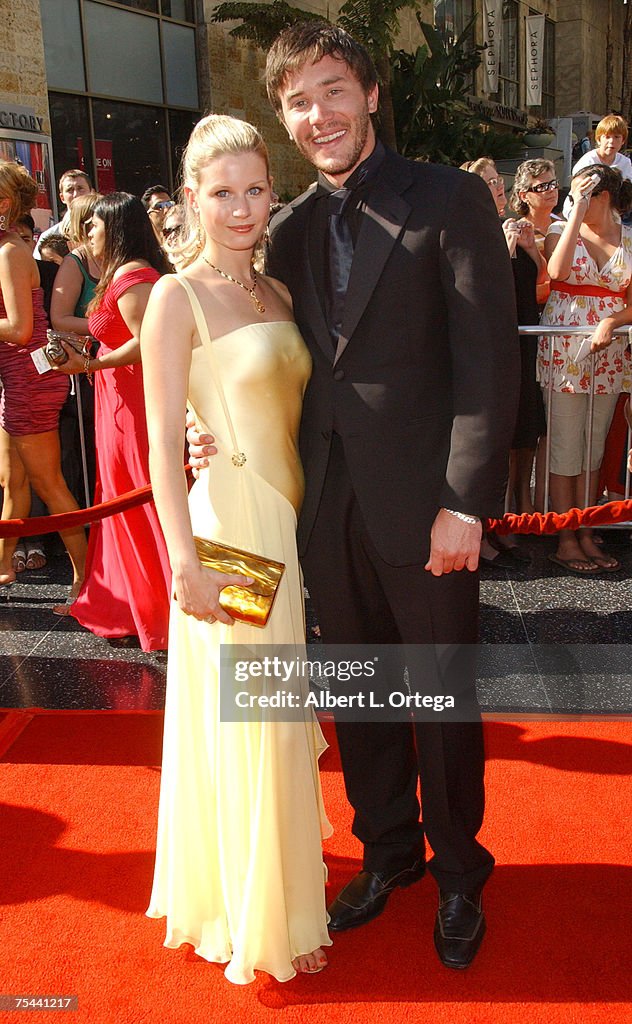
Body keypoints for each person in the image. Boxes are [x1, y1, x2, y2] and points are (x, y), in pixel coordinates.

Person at [189, 22, 519, 970]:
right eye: (297, 99)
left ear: (370, 95)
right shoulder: (285, 228)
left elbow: (488, 367)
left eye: (332, 90)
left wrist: (466, 502)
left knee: (443, 701)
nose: (317, 113)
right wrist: (192, 425)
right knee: (365, 696)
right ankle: (389, 855)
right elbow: (222, 336)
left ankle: (460, 874)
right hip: (320, 509)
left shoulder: (450, 199)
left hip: (427, 512)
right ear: (284, 118)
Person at [141, 114, 331, 983]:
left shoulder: (278, 295)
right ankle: (255, 916)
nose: (244, 206)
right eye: (223, 192)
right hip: (228, 531)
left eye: (257, 188)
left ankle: (281, 891)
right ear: (192, 199)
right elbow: (157, 450)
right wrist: (183, 559)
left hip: (282, 528)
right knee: (251, 718)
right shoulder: (175, 298)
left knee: (274, 714)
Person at [51, 192, 171, 648]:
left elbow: (146, 343)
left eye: (94, 227)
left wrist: (88, 366)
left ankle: (157, 604)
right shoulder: (122, 274)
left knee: (140, 496)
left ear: (114, 230)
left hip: (135, 402)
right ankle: (127, 600)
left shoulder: (134, 276)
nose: (87, 235)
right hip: (116, 398)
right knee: (121, 496)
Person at [0, 160, 87, 603]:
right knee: (11, 481)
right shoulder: (7, 248)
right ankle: (3, 568)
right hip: (18, 381)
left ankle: (84, 579)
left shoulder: (10, 253)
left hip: (29, 382)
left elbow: (17, 328)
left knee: (49, 484)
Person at [538, 164, 632, 574]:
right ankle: (565, 535)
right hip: (564, 350)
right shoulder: (562, 230)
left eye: (583, 194)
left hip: (609, 352)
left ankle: (586, 527)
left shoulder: (629, 238)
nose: (572, 200)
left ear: (604, 196)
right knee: (564, 446)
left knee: (593, 446)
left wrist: (611, 322)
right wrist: (574, 211)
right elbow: (556, 273)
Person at [51, 193, 102, 507]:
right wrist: (105, 326)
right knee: (88, 445)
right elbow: (59, 317)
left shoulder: (114, 256)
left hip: (113, 358)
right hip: (84, 364)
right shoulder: (76, 262)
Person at [34, 168, 94, 259]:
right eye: (70, 190)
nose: (75, 195)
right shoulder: (49, 236)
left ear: (91, 192)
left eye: (80, 188)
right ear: (62, 198)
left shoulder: (103, 229)